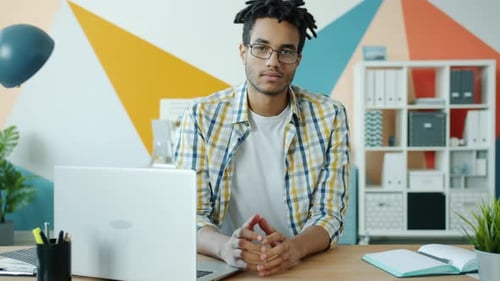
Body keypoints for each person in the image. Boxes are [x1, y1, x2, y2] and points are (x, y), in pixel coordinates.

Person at [175, 0, 350, 277]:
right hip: (225, 266)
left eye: (286, 51)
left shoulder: (330, 116)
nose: (273, 61)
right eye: (261, 48)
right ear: (243, 52)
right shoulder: (201, 116)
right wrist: (225, 247)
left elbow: (329, 214)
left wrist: (293, 249)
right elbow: (188, 215)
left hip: (298, 264)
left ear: (298, 59)